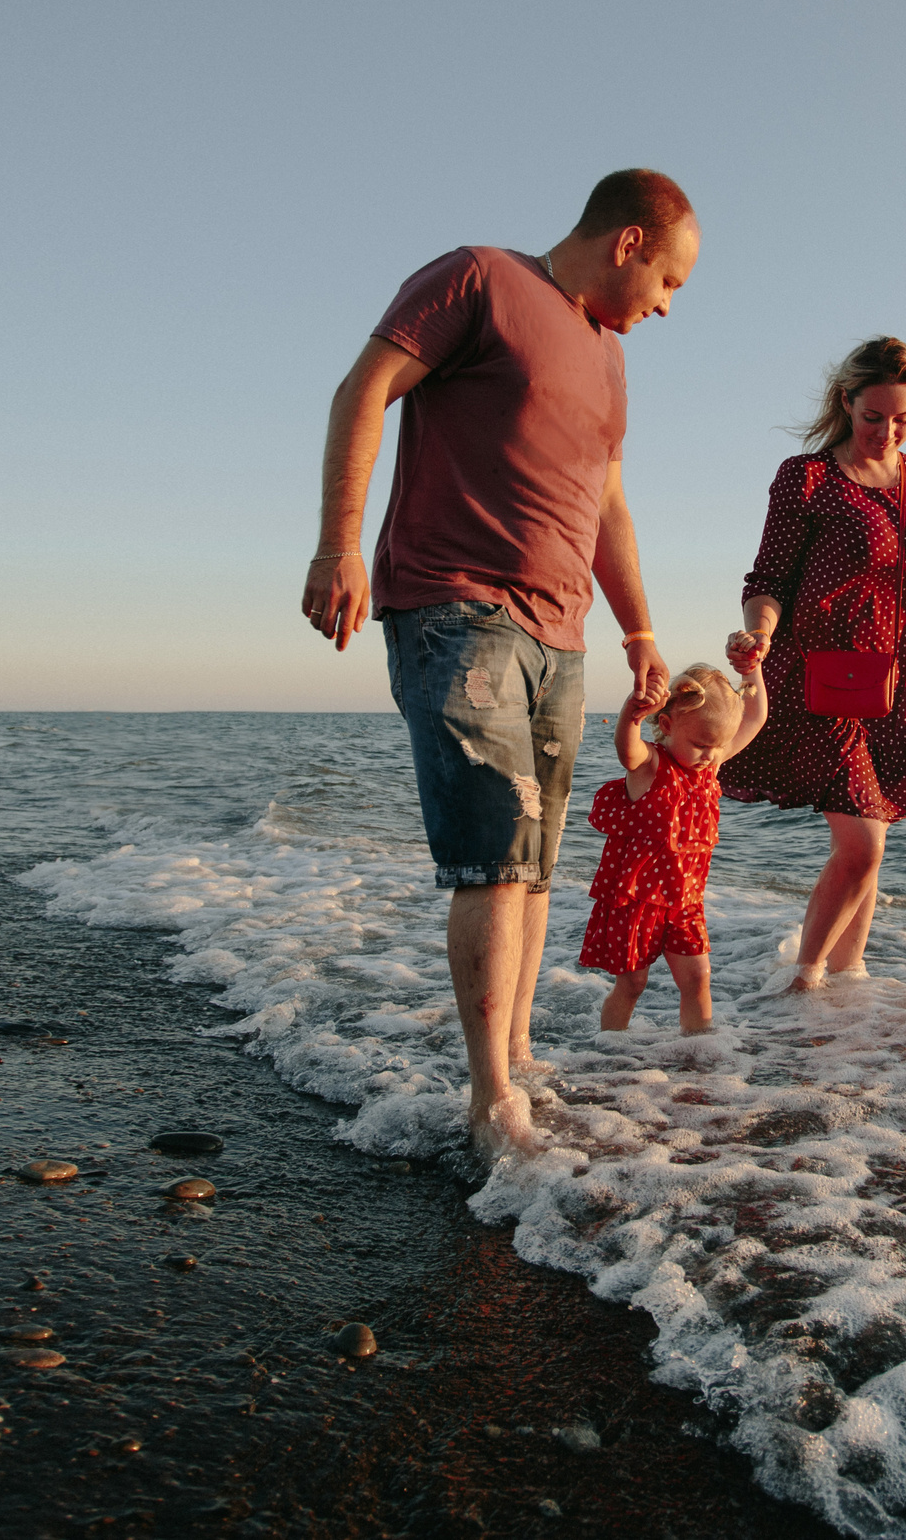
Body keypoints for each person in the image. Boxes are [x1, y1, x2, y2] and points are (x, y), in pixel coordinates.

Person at [299, 169, 698, 1153]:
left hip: (560, 636)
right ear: (627, 242)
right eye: (669, 280)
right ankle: (488, 1103)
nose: (667, 304)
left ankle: (515, 1063)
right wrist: (338, 545)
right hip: (456, 611)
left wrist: (640, 634)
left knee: (530, 870)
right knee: (490, 862)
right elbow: (366, 388)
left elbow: (607, 507)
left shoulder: (608, 359)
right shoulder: (476, 278)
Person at [718, 336, 906, 990]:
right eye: (873, 417)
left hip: (894, 691)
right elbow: (767, 578)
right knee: (861, 847)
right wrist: (761, 633)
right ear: (846, 403)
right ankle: (800, 986)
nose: (886, 432)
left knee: (871, 845)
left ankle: (846, 987)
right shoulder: (807, 479)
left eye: (903, 419)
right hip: (815, 680)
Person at [581, 659, 768, 1035]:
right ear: (667, 725)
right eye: (701, 744)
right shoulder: (652, 765)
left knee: (698, 979)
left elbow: (756, 716)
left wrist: (753, 668)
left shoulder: (708, 764)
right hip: (639, 902)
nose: (712, 755)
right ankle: (608, 1050)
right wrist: (633, 714)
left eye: (718, 746)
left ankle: (698, 1053)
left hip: (685, 903)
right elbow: (626, 749)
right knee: (632, 984)